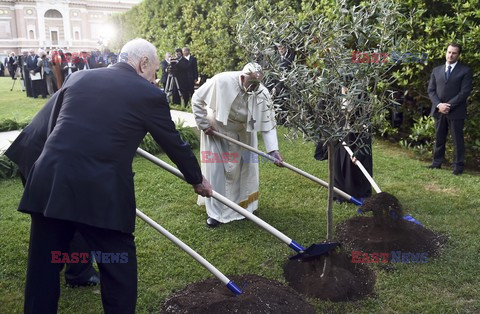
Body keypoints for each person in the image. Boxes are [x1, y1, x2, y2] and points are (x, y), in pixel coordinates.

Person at [17, 38, 212, 313]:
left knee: (43, 268)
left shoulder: (79, 77)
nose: (155, 78)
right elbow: (174, 143)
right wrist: (198, 180)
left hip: (50, 180)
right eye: (154, 71)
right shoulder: (149, 95)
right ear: (143, 62)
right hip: (101, 193)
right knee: (118, 269)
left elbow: (53, 126)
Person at [4, 91, 100, 288]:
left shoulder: (88, 85)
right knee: (78, 213)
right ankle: (78, 273)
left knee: (49, 218)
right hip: (45, 154)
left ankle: (51, 265)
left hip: (33, 148)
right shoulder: (106, 95)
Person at [192, 62, 283, 227]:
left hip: (243, 134)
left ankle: (243, 207)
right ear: (242, 77)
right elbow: (196, 99)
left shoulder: (262, 92)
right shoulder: (221, 81)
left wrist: (273, 150)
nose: (255, 88)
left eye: (258, 84)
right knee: (218, 173)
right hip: (217, 131)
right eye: (252, 84)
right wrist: (204, 125)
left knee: (244, 172)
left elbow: (268, 123)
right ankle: (216, 213)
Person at [427, 42, 473, 175]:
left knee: (457, 140)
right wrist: (439, 105)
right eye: (449, 52)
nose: (450, 55)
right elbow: (431, 90)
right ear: (446, 52)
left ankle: (458, 167)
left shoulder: (465, 71)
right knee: (439, 137)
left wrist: (448, 105)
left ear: (458, 55)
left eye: (454, 53)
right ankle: (436, 163)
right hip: (438, 110)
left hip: (456, 112)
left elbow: (464, 92)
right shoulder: (436, 70)